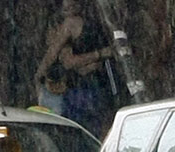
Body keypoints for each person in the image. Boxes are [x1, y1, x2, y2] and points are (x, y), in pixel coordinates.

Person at [34, 0, 115, 136]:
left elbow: (57, 56)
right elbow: (64, 59)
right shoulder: (71, 24)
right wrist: (99, 54)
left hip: (89, 85)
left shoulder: (79, 23)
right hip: (82, 86)